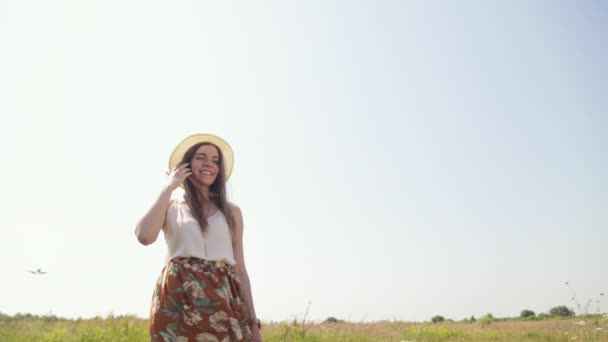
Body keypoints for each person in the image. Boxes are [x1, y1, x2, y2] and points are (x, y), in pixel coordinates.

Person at [135, 133, 262, 342]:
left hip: (223, 301)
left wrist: (253, 324)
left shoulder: (232, 212)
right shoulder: (170, 206)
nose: (208, 164)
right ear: (186, 164)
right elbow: (144, 236)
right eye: (201, 157)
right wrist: (169, 186)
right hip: (177, 300)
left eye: (215, 161)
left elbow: (240, 269)